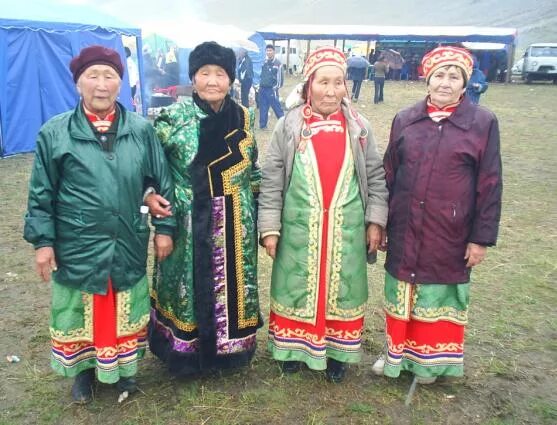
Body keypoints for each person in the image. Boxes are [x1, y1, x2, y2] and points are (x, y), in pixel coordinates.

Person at [23, 45, 176, 403]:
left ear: (121, 83)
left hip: (126, 237)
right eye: (92, 76)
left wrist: (164, 229)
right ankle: (83, 373)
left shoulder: (140, 130)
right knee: (83, 307)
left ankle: (124, 373)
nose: (101, 84)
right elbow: (41, 193)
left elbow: (161, 182)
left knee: (125, 305)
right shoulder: (55, 133)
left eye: (109, 76)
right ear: (78, 83)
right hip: (77, 240)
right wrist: (43, 243)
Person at [373, 46, 502, 384]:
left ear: (465, 83)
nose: (446, 83)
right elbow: (390, 172)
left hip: (450, 229)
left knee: (437, 290)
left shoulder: (482, 123)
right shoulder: (405, 119)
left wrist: (480, 238)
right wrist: (383, 221)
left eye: (454, 76)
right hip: (404, 225)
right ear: (427, 79)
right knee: (402, 290)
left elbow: (490, 182)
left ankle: (430, 362)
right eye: (440, 75)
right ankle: (395, 354)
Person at [258, 46, 388, 383]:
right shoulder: (288, 127)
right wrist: (270, 227)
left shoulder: (359, 128)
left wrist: (375, 220)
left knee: (342, 289)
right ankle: (291, 350)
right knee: (295, 287)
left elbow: (375, 175)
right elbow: (271, 180)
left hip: (347, 229)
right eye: (323, 82)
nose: (330, 91)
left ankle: (336, 353)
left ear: (346, 86)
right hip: (299, 228)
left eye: (338, 83)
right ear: (307, 85)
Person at [145, 41, 262, 376]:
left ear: (230, 79)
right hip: (185, 220)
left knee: (234, 288)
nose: (213, 81)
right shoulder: (173, 118)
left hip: (235, 222)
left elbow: (253, 169)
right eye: (204, 73)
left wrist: (258, 212)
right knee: (186, 286)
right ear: (193, 77)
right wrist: (151, 194)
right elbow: (151, 168)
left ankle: (231, 354)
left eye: (220, 74)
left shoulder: (243, 116)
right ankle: (185, 355)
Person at [258, 44, 284, 129]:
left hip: (271, 90)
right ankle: (263, 125)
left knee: (277, 108)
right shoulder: (264, 62)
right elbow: (261, 75)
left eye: (270, 50)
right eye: (267, 50)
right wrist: (259, 85)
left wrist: (275, 88)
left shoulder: (278, 64)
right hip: (262, 89)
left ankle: (284, 125)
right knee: (263, 108)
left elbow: (280, 80)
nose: (268, 52)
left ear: (274, 52)